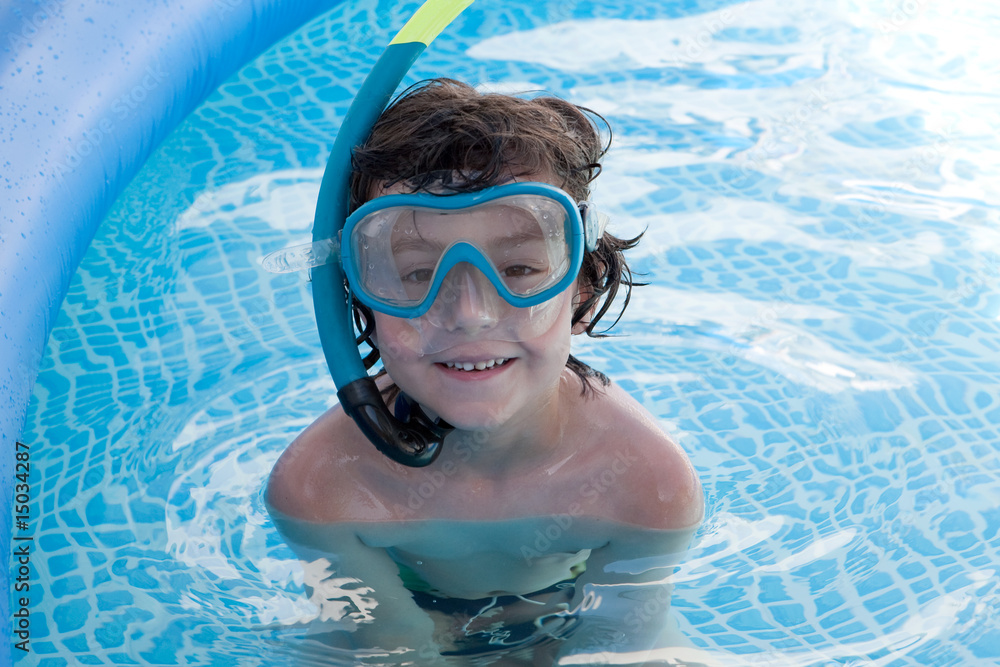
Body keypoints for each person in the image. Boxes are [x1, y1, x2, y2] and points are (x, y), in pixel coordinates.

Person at [266, 78, 704, 665]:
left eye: (520, 267)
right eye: (417, 274)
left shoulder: (645, 482)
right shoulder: (323, 486)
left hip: (566, 620)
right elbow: (396, 650)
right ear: (361, 303)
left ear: (582, 286)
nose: (470, 314)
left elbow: (615, 644)